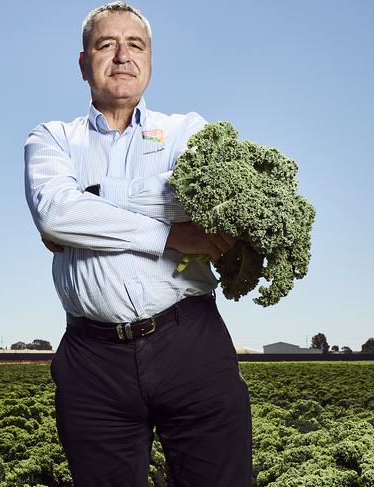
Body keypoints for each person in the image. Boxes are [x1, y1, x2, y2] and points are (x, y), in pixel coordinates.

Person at [24, 2, 252, 485]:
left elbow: (199, 197)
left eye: (136, 44)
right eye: (106, 44)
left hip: (191, 345)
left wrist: (95, 199)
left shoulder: (188, 131)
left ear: (150, 59)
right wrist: (170, 234)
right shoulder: (52, 138)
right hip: (92, 361)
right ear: (84, 62)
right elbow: (57, 213)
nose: (122, 55)